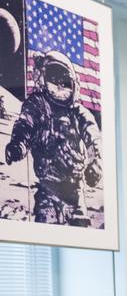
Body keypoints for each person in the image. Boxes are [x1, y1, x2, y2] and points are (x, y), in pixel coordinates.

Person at [4, 51, 102, 226]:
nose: (59, 87)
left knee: (80, 227)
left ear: (74, 85)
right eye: (54, 79)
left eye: (65, 83)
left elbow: (92, 135)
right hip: (47, 187)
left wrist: (95, 163)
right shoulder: (38, 105)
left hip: (75, 189)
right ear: (43, 78)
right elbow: (26, 125)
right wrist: (18, 146)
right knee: (46, 223)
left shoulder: (77, 112)